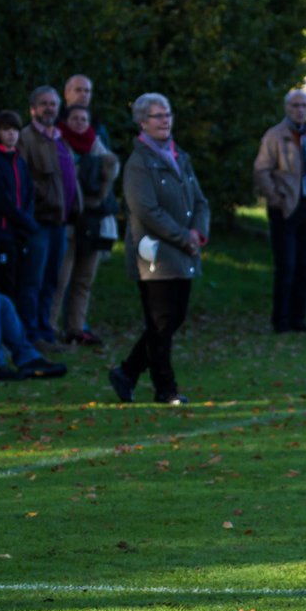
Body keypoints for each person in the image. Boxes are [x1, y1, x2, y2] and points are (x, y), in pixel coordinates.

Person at [109, 93, 210, 406]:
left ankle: (127, 371)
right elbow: (147, 211)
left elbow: (200, 200)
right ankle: (164, 388)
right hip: (154, 254)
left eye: (167, 114)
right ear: (142, 122)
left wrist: (198, 232)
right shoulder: (139, 164)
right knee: (161, 322)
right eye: (157, 116)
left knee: (172, 319)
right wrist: (183, 236)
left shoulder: (180, 156)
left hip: (183, 249)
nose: (165, 120)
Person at [254, 89, 306, 334]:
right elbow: (261, 170)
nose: (300, 109)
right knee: (286, 265)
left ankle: (299, 318)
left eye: (304, 105)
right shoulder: (275, 136)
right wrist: (275, 197)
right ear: (287, 107)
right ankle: (281, 320)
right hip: (285, 207)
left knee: (305, 266)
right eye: (295, 105)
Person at [19, 86, 81, 352]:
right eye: (44, 104)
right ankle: (30, 335)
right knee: (33, 279)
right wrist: (43, 199)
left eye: (54, 104)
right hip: (39, 221)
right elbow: (23, 179)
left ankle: (46, 330)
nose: (49, 109)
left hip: (61, 222)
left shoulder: (60, 139)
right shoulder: (26, 138)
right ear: (33, 108)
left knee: (52, 280)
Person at [55, 104, 118, 345]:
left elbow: (110, 170)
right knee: (61, 279)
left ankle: (76, 327)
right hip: (69, 220)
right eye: (75, 118)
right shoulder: (59, 142)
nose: (80, 122)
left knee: (84, 280)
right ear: (67, 120)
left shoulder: (95, 143)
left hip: (91, 221)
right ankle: (50, 328)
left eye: (84, 119)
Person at [0, 111, 39, 300]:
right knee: (3, 286)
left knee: (20, 285)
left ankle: (17, 328)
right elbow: (1, 200)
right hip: (0, 234)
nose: (11, 134)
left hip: (19, 235)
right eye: (6, 129)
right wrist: (25, 221)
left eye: (15, 129)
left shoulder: (20, 162)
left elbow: (29, 193)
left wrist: (26, 220)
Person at [61, 74, 109, 149]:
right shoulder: (55, 122)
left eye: (87, 91)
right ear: (66, 93)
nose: (83, 94)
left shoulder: (98, 128)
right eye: (78, 90)